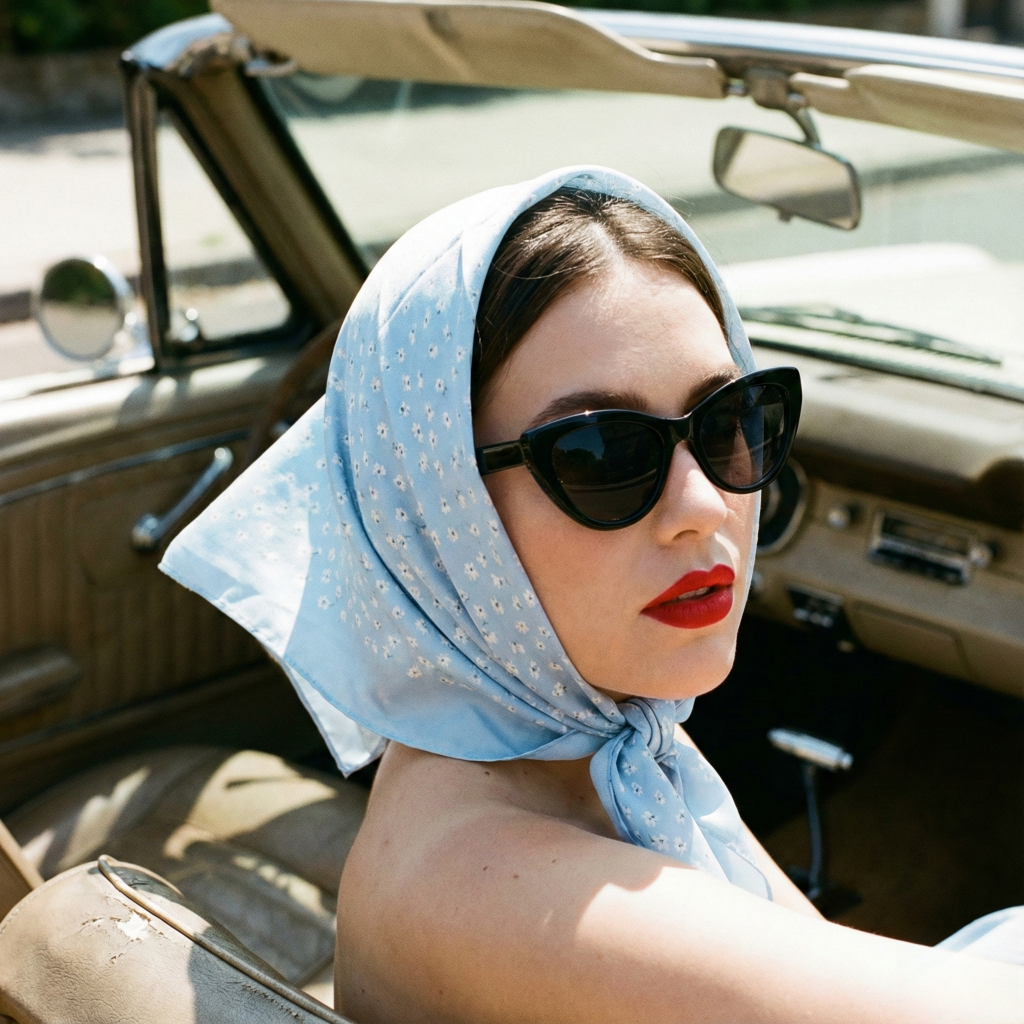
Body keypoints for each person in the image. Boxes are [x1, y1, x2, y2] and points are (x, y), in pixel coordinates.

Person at [162, 167, 1024, 1024]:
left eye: (729, 421)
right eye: (604, 456)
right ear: (436, 510)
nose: (704, 506)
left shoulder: (570, 734)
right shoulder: (501, 892)